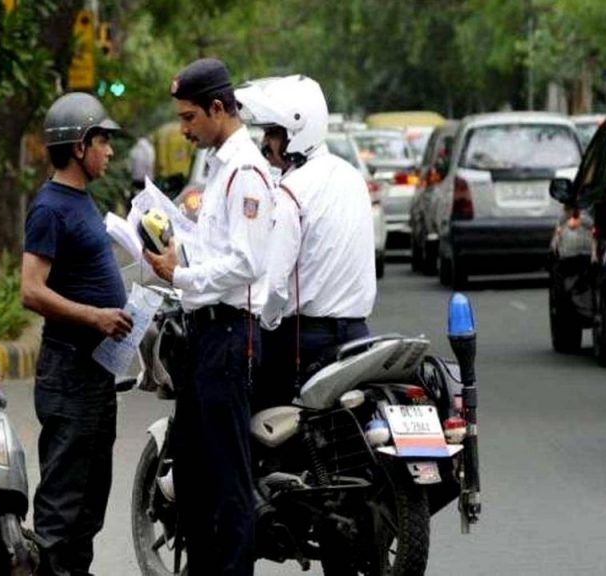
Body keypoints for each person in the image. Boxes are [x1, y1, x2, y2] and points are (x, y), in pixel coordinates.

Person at [143, 57, 273, 576]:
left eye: (190, 117)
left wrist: (181, 276)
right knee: (194, 475)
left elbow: (247, 263)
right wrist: (176, 246)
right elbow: (214, 246)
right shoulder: (221, 169)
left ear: (218, 108)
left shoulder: (246, 173)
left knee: (227, 479)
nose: (184, 128)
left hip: (228, 334)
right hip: (204, 333)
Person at [20, 92, 133, 576]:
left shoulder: (83, 201)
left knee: (89, 504)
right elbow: (30, 290)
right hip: (69, 372)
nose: (109, 152)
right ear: (80, 144)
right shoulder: (50, 207)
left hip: (95, 374)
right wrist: (95, 317)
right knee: (61, 508)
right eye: (103, 141)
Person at [236, 75, 376, 410]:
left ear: (296, 132)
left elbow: (275, 284)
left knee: (250, 417)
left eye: (272, 133)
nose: (266, 143)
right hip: (359, 334)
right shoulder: (352, 178)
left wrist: (262, 322)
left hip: (303, 340)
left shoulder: (291, 191)